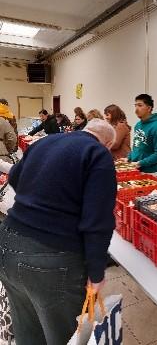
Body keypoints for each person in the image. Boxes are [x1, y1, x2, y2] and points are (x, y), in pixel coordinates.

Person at [0, 118, 117, 345]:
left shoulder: (46, 142)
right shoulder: (98, 154)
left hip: (7, 245)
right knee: (65, 336)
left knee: (27, 331)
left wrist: (37, 199)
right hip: (50, 258)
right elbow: (97, 222)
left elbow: (15, 176)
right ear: (107, 144)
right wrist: (96, 273)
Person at [127, 94, 157, 175]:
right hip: (136, 169)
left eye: (140, 105)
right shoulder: (138, 125)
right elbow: (136, 147)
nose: (136, 109)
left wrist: (140, 163)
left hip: (150, 172)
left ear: (149, 108)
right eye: (135, 106)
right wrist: (129, 158)